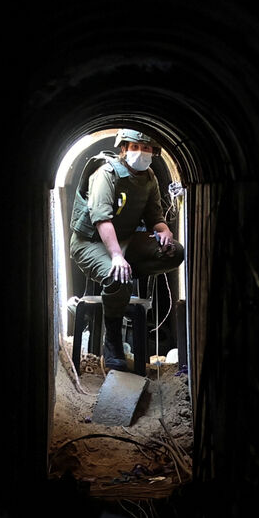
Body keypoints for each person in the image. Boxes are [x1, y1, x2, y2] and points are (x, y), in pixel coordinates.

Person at [69, 129, 185, 370]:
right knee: (117, 276)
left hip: (125, 240)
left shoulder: (149, 178)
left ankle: (121, 284)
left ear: (154, 151)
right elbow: (101, 219)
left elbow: (154, 216)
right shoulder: (106, 173)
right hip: (91, 242)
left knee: (175, 252)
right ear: (124, 149)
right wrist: (116, 256)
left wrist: (164, 230)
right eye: (135, 147)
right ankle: (112, 340)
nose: (141, 152)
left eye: (146, 148)